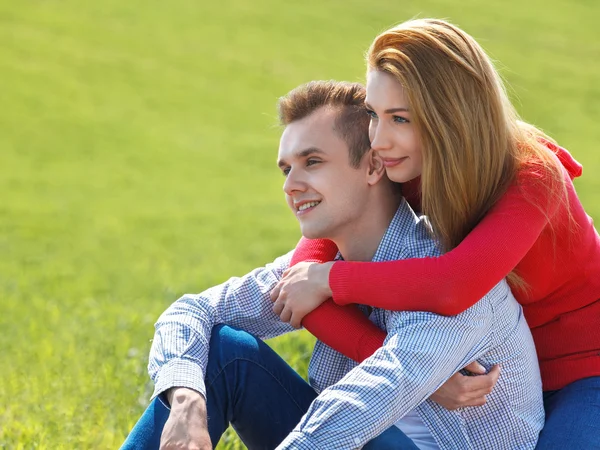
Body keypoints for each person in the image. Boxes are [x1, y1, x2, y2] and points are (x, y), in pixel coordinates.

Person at [121, 80, 544, 450]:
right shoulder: (316, 268)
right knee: (225, 352)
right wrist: (186, 400)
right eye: (286, 169)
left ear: (374, 165)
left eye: (313, 162)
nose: (290, 186)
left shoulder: (443, 271)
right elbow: (191, 311)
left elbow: (358, 407)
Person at [271, 18, 600, 449]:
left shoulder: (532, 175)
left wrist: (331, 282)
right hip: (501, 376)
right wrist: (416, 373)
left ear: (451, 117)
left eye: (401, 119)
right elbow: (301, 274)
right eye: (374, 114)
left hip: (585, 369)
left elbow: (451, 285)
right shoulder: (404, 162)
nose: (379, 140)